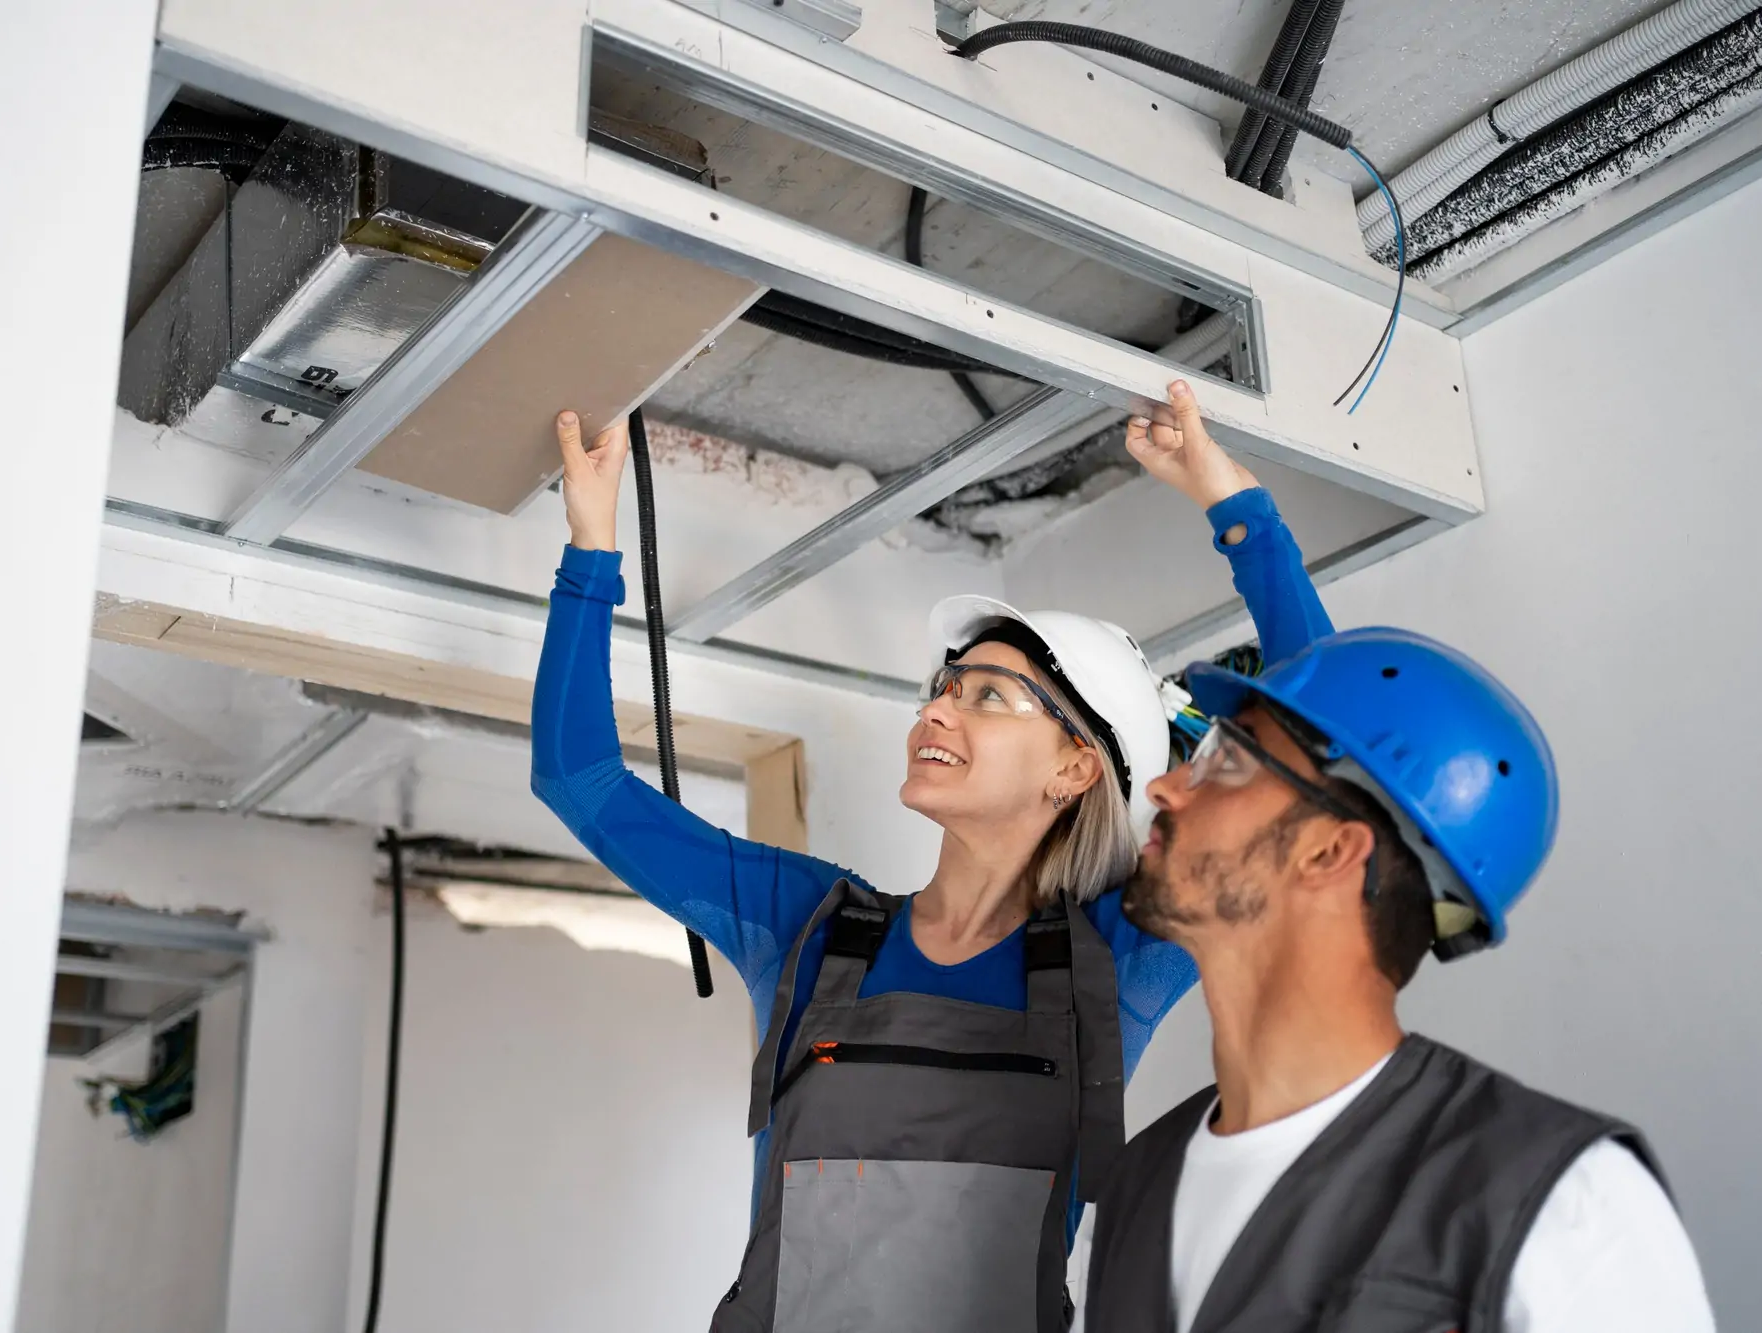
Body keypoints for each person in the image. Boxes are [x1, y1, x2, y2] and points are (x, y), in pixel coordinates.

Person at [531, 381, 1333, 1333]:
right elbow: (577, 778)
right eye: (942, 687)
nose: (935, 710)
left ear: (1077, 766)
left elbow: (1321, 761)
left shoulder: (1116, 959)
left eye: (987, 696)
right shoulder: (807, 927)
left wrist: (1233, 506)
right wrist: (590, 550)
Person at [1083, 629, 1717, 1332]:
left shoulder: (1561, 1203)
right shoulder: (1137, 1184)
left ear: (1330, 849)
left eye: (1225, 760)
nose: (1166, 785)